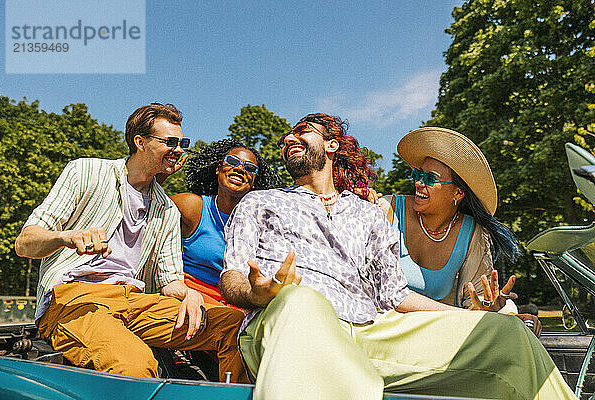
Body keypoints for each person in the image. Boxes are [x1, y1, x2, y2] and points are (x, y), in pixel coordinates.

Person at [219, 113, 575, 399]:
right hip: (294, 316)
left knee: (507, 332)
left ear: (331, 145)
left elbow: (394, 296)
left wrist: (468, 318)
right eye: (287, 137)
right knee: (302, 302)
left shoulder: (368, 214)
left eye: (302, 131)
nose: (288, 139)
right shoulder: (260, 202)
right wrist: (256, 294)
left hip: (370, 329)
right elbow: (232, 273)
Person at [14, 103, 247, 383]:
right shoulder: (86, 172)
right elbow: (25, 242)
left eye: (182, 142)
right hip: (76, 298)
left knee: (236, 326)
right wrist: (66, 237)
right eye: (169, 142)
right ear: (140, 142)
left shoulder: (166, 209)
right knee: (136, 364)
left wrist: (189, 294)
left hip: (134, 300)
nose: (179, 149)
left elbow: (170, 280)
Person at [379, 127, 521, 311]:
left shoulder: (472, 234)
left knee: (512, 314)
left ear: (457, 192)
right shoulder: (386, 210)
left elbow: (474, 304)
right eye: (417, 174)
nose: (418, 183)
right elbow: (378, 291)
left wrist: (489, 308)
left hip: (437, 331)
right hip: (382, 326)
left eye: (430, 179)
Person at [170, 139, 280, 305]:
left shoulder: (261, 225)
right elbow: (147, 208)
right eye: (232, 161)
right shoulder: (193, 207)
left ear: (254, 182)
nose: (239, 169)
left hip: (239, 305)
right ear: (218, 169)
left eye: (249, 168)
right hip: (189, 297)